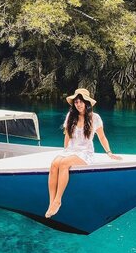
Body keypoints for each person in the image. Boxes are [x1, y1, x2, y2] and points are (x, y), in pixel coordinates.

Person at [45, 88, 121, 219]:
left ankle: (58, 200)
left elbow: (102, 137)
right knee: (54, 164)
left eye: (80, 101)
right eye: (76, 102)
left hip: (85, 153)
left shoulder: (95, 118)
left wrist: (109, 152)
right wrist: (65, 151)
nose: (78, 104)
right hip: (71, 150)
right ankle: (51, 202)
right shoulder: (71, 116)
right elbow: (67, 135)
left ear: (87, 103)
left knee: (64, 163)